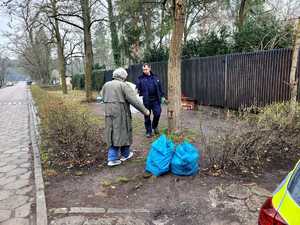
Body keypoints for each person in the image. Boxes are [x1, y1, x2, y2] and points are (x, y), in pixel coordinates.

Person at [102, 68, 150, 166]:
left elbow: (102, 96)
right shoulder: (123, 85)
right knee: (120, 131)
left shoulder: (106, 85)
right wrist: (145, 111)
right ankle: (112, 158)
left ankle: (126, 154)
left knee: (113, 132)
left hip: (108, 112)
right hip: (120, 112)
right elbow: (134, 101)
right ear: (123, 76)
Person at [136, 64, 165, 138]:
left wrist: (162, 96)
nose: (144, 71)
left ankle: (154, 126)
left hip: (156, 100)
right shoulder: (140, 78)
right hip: (146, 101)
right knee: (147, 116)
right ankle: (148, 131)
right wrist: (136, 91)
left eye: (146, 69)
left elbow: (160, 88)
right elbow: (137, 88)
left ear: (149, 68)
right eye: (143, 69)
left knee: (158, 113)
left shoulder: (155, 77)